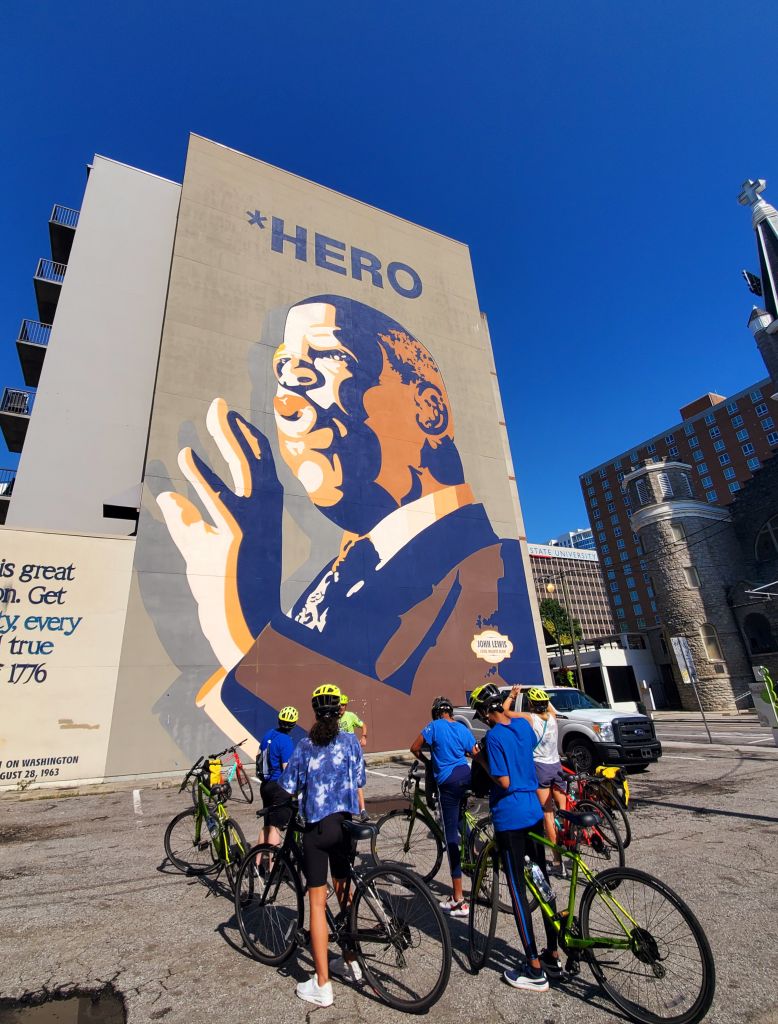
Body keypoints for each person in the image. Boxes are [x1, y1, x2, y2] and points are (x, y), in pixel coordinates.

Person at [157, 295, 544, 754]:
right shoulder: (340, 572)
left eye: (325, 359)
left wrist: (244, 621)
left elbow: (399, 738)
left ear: (429, 410)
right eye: (283, 372)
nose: (285, 399)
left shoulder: (494, 573)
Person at [469, 683, 563, 993]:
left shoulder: (493, 738)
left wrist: (481, 760)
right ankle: (553, 953)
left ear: (484, 713)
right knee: (541, 882)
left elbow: (504, 780)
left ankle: (534, 968)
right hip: (534, 810)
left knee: (518, 891)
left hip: (510, 816)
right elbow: (512, 717)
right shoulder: (523, 725)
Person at [280, 683, 366, 1008]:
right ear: (340, 710)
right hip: (344, 825)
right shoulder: (351, 742)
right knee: (345, 893)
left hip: (317, 829)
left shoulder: (304, 745)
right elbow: (360, 780)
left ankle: (322, 984)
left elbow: (289, 786)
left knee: (317, 903)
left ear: (315, 712)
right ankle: (350, 960)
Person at [410, 696, 476, 917]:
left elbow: (415, 747)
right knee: (459, 819)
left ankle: (458, 899)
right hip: (466, 775)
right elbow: (475, 752)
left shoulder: (434, 726)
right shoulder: (460, 727)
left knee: (450, 837)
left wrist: (429, 763)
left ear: (436, 712)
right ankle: (476, 851)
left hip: (447, 781)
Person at [503, 685, 568, 874]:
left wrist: (512, 695)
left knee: (548, 813)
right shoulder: (554, 718)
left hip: (540, 767)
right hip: (557, 765)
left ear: (531, 704)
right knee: (563, 812)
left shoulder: (531, 719)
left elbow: (505, 712)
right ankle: (570, 844)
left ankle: (557, 862)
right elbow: (550, 708)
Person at [256, 705, 298, 850]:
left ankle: (256, 862)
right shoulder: (286, 741)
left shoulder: (268, 734)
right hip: (278, 787)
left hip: (265, 785)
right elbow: (286, 768)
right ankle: (273, 868)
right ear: (293, 724)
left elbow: (258, 754)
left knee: (266, 826)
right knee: (276, 827)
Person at [339, 694, 369, 820]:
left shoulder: (350, 716)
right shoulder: (333, 718)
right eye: (339, 705)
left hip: (352, 753)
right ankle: (344, 810)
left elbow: (363, 725)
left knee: (357, 782)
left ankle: (362, 810)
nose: (341, 707)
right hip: (339, 754)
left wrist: (363, 737)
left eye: (343, 705)